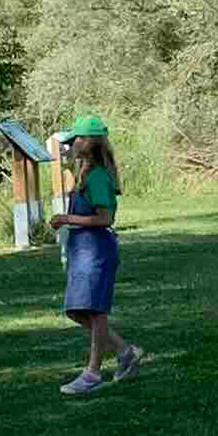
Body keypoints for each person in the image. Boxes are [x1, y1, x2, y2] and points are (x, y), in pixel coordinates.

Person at [51, 115, 140, 398]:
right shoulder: (85, 172)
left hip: (96, 250)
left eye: (75, 140)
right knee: (77, 310)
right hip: (82, 249)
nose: (71, 145)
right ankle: (125, 351)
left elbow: (105, 218)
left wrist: (66, 218)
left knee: (95, 311)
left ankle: (92, 373)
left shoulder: (98, 177)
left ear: (89, 142)